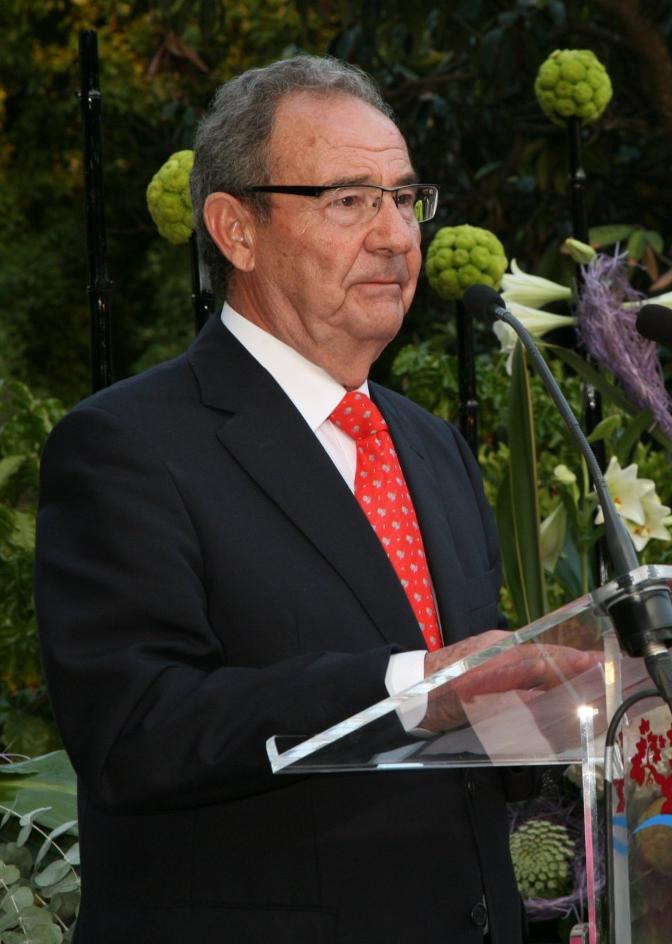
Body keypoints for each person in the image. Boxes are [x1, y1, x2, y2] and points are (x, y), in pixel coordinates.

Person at [35, 56, 592, 943]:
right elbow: (135, 732)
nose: (395, 236)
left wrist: (573, 707)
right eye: (349, 200)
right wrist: (414, 687)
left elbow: (474, 745)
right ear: (236, 230)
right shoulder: (127, 446)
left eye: (404, 199)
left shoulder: (433, 447)